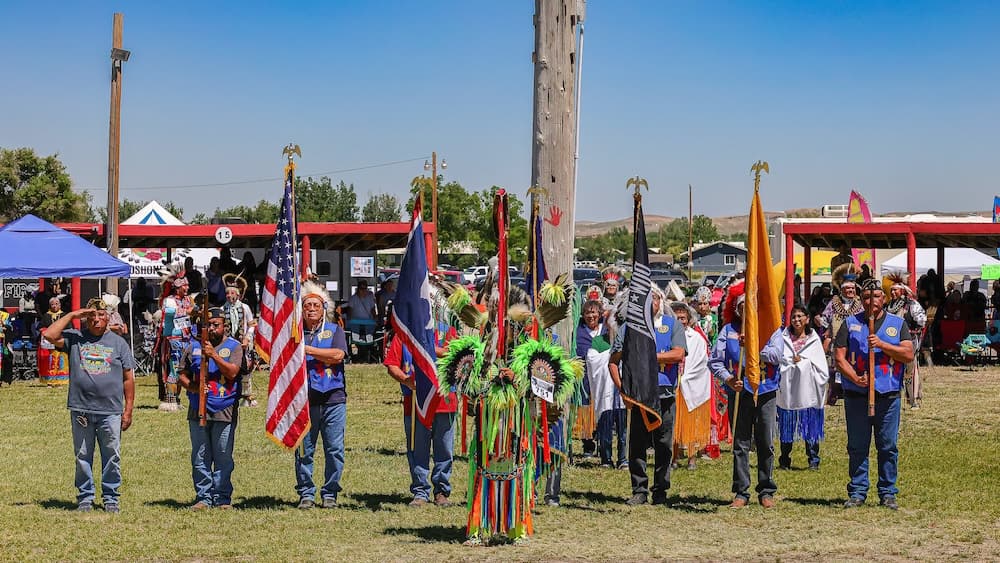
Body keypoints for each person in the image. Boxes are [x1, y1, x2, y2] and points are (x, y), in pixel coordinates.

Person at [43, 297, 135, 513]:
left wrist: (128, 409)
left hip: (110, 410)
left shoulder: (118, 343)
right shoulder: (75, 339)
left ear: (108, 318)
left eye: (101, 315)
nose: (96, 320)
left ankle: (111, 498)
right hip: (81, 408)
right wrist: (73, 315)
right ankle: (85, 496)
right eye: (91, 316)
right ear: (85, 319)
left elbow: (128, 378)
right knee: (83, 455)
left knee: (112, 454)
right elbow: (48, 335)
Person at [834, 277, 913, 511]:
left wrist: (882, 345)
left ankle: (888, 492)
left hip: (887, 395)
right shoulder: (850, 323)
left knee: (887, 445)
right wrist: (855, 378)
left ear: (884, 298)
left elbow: (908, 354)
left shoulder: (897, 324)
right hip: (857, 395)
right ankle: (858, 491)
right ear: (861, 299)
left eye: (876, 297)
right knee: (857, 445)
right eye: (867, 297)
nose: (871, 301)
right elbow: (839, 357)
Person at [709, 282, 784, 509]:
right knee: (740, 442)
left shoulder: (771, 328)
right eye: (741, 306)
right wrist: (729, 379)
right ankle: (741, 491)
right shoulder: (728, 330)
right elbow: (714, 361)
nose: (745, 309)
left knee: (765, 441)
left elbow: (777, 355)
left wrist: (753, 346)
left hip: (766, 390)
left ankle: (766, 490)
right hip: (740, 392)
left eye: (749, 305)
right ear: (736, 308)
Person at [610, 287, 686, 506]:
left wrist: (651, 356)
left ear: (660, 302)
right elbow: (613, 362)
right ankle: (639, 490)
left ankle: (660, 489)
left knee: (664, 444)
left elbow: (678, 353)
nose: (650, 303)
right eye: (646, 299)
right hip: (637, 397)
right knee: (637, 444)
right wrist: (623, 389)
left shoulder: (671, 325)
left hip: (664, 394)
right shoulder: (628, 329)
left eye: (654, 299)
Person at [383, 325, 457, 507]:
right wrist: (406, 380)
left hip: (445, 400)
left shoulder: (449, 331)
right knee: (417, 449)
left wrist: (426, 348)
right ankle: (420, 491)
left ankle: (441, 490)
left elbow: (457, 355)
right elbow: (392, 364)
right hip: (416, 401)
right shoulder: (405, 332)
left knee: (444, 449)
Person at [179, 307, 243, 510]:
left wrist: (214, 355)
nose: (212, 328)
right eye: (208, 324)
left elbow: (232, 372)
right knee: (200, 455)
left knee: (223, 454)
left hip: (224, 408)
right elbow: (181, 374)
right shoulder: (192, 347)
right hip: (198, 409)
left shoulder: (234, 347)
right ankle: (203, 497)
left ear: (224, 326)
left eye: (216, 324)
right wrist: (193, 387)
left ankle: (222, 497)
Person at [295, 281, 349, 510]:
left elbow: (337, 355)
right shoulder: (295, 334)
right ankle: (306, 493)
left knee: (334, 449)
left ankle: (330, 493)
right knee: (305, 449)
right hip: (305, 399)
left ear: (323, 307)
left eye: (316, 305)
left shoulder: (335, 330)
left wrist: (307, 350)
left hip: (333, 398)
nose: (312, 309)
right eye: (307, 305)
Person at [777, 304, 829, 470]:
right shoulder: (783, 339)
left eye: (800, 316)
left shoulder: (814, 340)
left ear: (807, 319)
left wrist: (804, 363)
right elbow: (778, 359)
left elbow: (821, 367)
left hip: (808, 389)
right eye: (793, 317)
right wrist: (789, 363)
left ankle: (813, 459)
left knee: (810, 423)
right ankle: (784, 458)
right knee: (787, 423)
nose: (796, 320)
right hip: (789, 388)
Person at [671, 301, 712, 471]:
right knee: (673, 423)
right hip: (674, 385)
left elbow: (701, 361)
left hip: (691, 385)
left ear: (689, 319)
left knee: (691, 424)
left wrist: (686, 377)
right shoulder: (668, 336)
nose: (680, 321)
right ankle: (673, 456)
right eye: (677, 318)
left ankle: (692, 458)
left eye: (683, 317)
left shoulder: (696, 338)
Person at [820, 264, 863, 406]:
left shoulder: (860, 303)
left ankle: (852, 392)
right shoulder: (834, 303)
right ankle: (833, 395)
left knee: (853, 365)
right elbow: (825, 319)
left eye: (852, 288)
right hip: (836, 341)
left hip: (855, 341)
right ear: (842, 290)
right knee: (835, 368)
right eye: (847, 288)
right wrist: (825, 327)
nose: (850, 291)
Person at [884, 273, 927, 409]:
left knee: (910, 369)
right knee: (891, 367)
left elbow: (922, 320)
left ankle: (913, 399)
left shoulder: (911, 304)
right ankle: (891, 395)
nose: (892, 292)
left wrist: (914, 331)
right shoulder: (888, 305)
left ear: (902, 291)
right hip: (891, 342)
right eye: (891, 290)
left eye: (895, 290)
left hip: (908, 341)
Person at [158, 266, 195, 411]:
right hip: (174, 339)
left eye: (187, 285)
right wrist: (188, 311)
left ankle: (178, 399)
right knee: (174, 368)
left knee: (185, 369)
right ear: (177, 288)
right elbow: (169, 313)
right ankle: (170, 400)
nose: (187, 288)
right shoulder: (169, 300)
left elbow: (194, 311)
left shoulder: (188, 300)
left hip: (187, 339)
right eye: (184, 286)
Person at [573, 300, 604, 460]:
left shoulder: (605, 330)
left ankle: (602, 442)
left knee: (602, 407)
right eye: (587, 313)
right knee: (585, 409)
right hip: (584, 378)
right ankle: (588, 444)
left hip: (602, 376)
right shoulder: (578, 332)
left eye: (594, 313)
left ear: (599, 314)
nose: (591, 316)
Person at [222, 274, 257, 407]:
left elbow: (252, 324)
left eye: (232, 293)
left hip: (243, 343)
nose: (229, 295)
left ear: (238, 294)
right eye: (227, 293)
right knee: (229, 368)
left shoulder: (245, 308)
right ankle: (230, 393)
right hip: (229, 344)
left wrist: (247, 337)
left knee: (245, 368)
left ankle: (246, 396)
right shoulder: (222, 309)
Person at [38, 297, 70, 386]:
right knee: (50, 362)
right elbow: (40, 327)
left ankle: (60, 381)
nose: (54, 306)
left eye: (56, 304)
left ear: (59, 305)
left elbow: (69, 327)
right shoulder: (46, 316)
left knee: (61, 361)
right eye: (52, 304)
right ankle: (49, 381)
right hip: (49, 344)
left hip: (60, 342)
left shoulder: (64, 315)